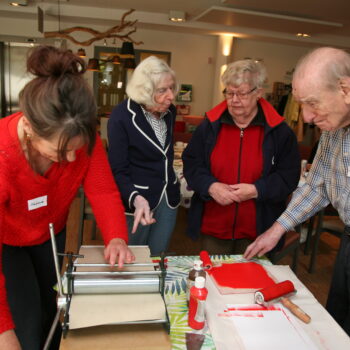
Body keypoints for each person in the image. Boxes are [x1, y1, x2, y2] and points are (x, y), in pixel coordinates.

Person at [0, 45, 135, 350]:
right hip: (8, 242)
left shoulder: (80, 135)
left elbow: (101, 189)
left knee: (53, 311)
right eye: (61, 153)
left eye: (78, 148)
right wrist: (3, 332)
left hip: (50, 234)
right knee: (25, 328)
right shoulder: (2, 156)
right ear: (30, 129)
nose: (74, 158)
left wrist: (116, 237)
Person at [244, 47, 350, 335]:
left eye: (312, 103)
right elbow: (317, 185)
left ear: (346, 89)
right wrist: (277, 229)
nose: (305, 117)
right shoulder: (332, 130)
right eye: (301, 104)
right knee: (339, 324)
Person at [182, 59, 300, 255]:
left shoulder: (280, 131)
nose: (234, 100)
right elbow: (192, 163)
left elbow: (288, 177)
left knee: (252, 281)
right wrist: (210, 186)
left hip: (259, 229)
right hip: (215, 225)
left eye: (242, 93)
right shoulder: (209, 125)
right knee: (216, 277)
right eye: (229, 93)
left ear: (258, 93)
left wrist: (256, 190)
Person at [108, 56, 180, 256]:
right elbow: (117, 169)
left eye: (172, 88)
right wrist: (135, 197)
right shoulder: (122, 116)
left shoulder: (170, 111)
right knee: (134, 258)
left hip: (168, 197)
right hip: (139, 199)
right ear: (145, 91)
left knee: (157, 257)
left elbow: (165, 154)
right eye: (162, 90)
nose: (171, 96)